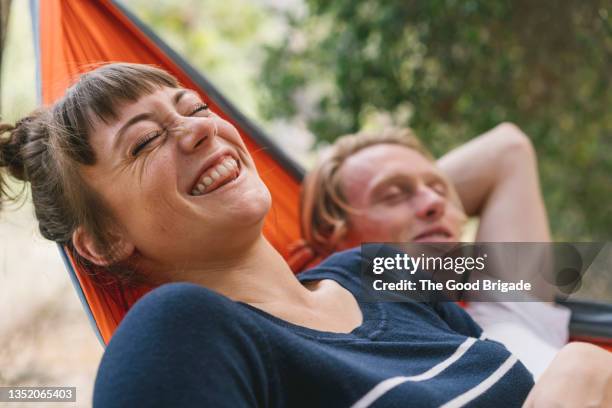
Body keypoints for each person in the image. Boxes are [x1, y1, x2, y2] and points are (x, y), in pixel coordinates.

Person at [0, 63, 609, 407]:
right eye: (145, 141)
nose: (196, 131)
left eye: (194, 108)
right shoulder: (183, 330)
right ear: (104, 241)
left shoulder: (380, 267)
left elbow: (545, 261)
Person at [296, 126, 571, 378]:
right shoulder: (330, 354)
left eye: (442, 191)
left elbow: (509, 150)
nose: (435, 203)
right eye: (392, 195)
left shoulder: (508, 315)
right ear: (334, 238)